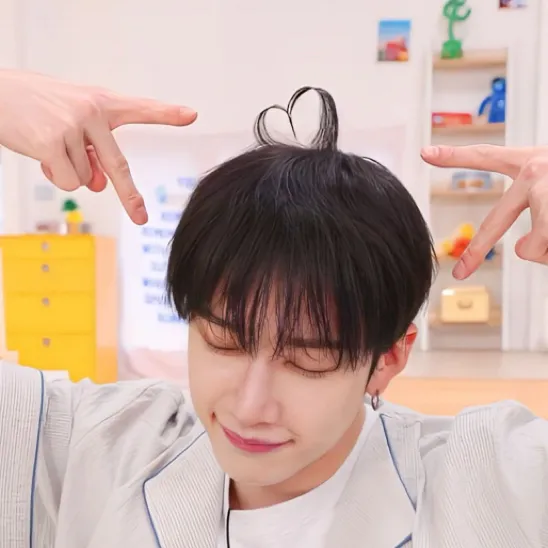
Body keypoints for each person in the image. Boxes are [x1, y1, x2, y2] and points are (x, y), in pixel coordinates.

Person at [0, 71, 547, 548]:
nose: (250, 405)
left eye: (308, 359)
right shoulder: (99, 446)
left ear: (388, 358)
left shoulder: (487, 480)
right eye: (223, 340)